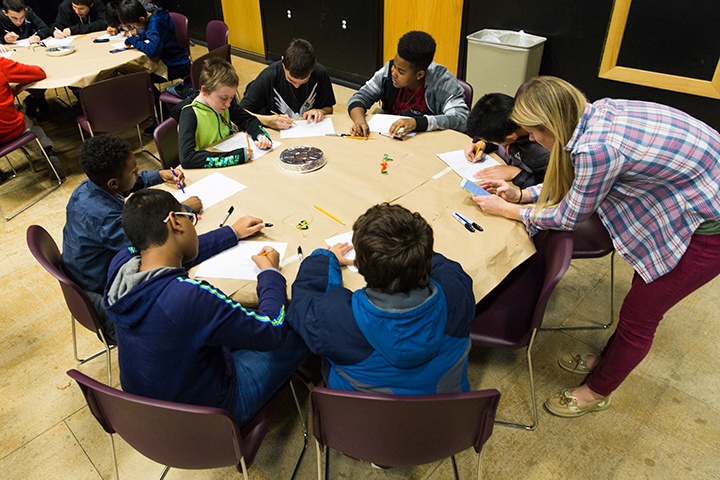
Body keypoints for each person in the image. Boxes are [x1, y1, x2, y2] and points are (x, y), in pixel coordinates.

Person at [472, 76, 720, 417]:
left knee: (639, 318)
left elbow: (570, 215)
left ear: (553, 125)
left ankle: (596, 391)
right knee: (639, 294)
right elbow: (578, 178)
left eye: (534, 132)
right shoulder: (592, 112)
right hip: (696, 195)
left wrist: (511, 210)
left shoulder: (598, 148)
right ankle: (605, 361)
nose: (530, 139)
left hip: (708, 230)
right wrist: (523, 194)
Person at [104, 189, 309, 425]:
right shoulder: (187, 297)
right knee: (299, 319)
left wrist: (231, 233)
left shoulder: (121, 265)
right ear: (176, 222)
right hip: (210, 418)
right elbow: (272, 330)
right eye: (189, 218)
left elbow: (173, 255)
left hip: (150, 412)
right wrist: (270, 273)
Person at [287, 203, 475, 394]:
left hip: (367, 419)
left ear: (359, 265)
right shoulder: (456, 289)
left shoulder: (334, 319)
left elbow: (303, 301)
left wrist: (325, 258)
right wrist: (411, 253)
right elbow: (445, 266)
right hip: (446, 414)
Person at [61, 135, 201, 339]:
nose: (137, 173)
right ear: (112, 182)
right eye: (134, 171)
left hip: (85, 272)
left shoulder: (88, 187)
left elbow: (125, 186)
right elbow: (148, 238)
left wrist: (158, 175)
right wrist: (183, 210)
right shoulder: (105, 219)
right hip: (103, 293)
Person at [348, 30, 469, 137]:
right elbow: (360, 97)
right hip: (391, 137)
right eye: (394, 66)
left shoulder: (443, 82)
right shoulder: (388, 72)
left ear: (419, 75)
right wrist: (359, 121)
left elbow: (462, 119)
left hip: (427, 143)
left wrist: (417, 123)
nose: (393, 73)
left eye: (401, 71)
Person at [177, 57, 272, 169]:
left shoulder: (225, 105)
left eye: (231, 98)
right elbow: (187, 158)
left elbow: (247, 119)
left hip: (228, 166)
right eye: (223, 98)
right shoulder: (190, 114)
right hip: (206, 173)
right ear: (204, 91)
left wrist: (260, 135)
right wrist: (235, 157)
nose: (228, 104)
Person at [239, 38, 336, 130]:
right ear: (283, 62)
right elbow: (240, 112)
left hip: (310, 130)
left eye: (304, 82)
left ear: (313, 66)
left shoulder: (320, 73)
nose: (296, 86)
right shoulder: (269, 76)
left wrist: (321, 111)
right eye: (291, 80)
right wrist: (267, 121)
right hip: (277, 134)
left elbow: (328, 108)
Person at [464, 92, 549, 189]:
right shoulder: (507, 122)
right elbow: (493, 130)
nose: (489, 142)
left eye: (490, 141)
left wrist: (516, 173)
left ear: (511, 137)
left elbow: (547, 188)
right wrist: (481, 143)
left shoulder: (542, 151)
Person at [0, 57, 64, 179]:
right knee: (32, 123)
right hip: (12, 128)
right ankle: (48, 152)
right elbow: (38, 73)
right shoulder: (1, 64)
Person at [115, 0, 189, 83]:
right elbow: (152, 36)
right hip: (174, 59)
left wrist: (133, 40)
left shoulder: (155, 24)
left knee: (137, 79)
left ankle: (154, 96)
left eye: (132, 25)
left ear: (141, 19)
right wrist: (140, 37)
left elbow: (152, 50)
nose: (133, 27)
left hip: (174, 65)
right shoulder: (154, 14)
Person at [1, 0, 52, 116]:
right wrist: (3, 41)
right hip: (11, 58)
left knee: (39, 73)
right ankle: (36, 99)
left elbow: (45, 28)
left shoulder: (29, 12)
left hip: (32, 54)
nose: (19, 22)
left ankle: (35, 99)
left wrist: (38, 36)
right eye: (14, 18)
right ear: (5, 13)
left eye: (22, 18)